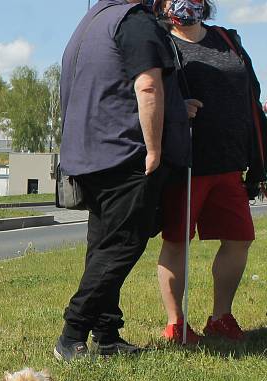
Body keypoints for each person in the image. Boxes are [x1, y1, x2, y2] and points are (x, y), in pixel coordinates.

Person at [55, 0, 192, 360]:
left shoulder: (93, 20)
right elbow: (147, 86)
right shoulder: (135, 20)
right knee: (123, 246)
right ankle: (73, 332)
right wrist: (154, 149)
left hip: (89, 152)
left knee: (103, 246)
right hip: (125, 151)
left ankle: (106, 331)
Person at [156, 0, 265, 343]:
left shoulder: (227, 40)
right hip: (187, 165)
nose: (184, 3)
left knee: (240, 238)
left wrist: (260, 164)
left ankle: (221, 316)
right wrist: (177, 108)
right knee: (177, 242)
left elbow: (253, 100)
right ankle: (176, 324)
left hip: (231, 163)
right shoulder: (161, 42)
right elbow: (148, 93)